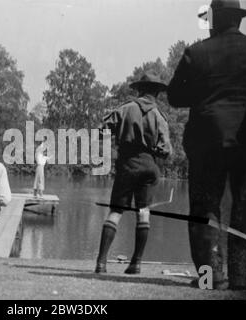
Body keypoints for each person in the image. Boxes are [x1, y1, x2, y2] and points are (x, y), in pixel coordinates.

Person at [168, 0, 246, 289]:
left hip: (207, 141)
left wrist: (203, 91)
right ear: (239, 20)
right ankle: (243, 280)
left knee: (205, 208)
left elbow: (175, 97)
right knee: (245, 210)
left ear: (214, 20)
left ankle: (211, 278)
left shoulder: (197, 53)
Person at [95, 72, 172, 275]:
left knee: (116, 211)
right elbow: (166, 151)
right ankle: (136, 264)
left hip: (127, 165)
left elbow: (101, 131)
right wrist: (152, 149)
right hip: (149, 167)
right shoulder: (160, 116)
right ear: (157, 93)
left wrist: (116, 137)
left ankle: (101, 264)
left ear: (139, 90)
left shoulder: (125, 109)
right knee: (143, 212)